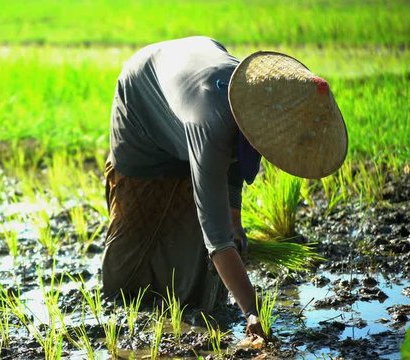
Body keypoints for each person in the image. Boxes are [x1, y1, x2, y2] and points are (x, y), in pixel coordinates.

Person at [102, 36, 347, 337]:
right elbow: (217, 239)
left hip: (188, 94)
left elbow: (235, 154)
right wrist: (253, 313)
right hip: (141, 106)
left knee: (196, 267)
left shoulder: (256, 101)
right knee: (134, 250)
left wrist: (234, 219)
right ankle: (125, 311)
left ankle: (183, 310)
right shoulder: (213, 119)